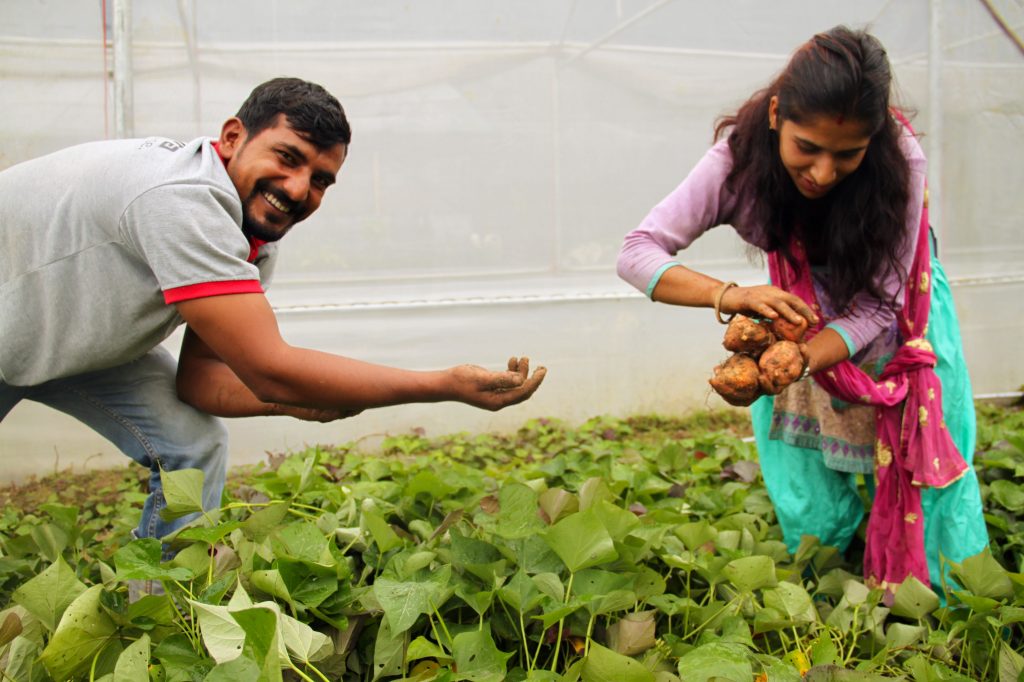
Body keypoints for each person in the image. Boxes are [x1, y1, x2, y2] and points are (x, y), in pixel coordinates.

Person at [0, 77, 546, 552]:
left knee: (192, 443)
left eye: (321, 179)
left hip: (64, 332)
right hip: (14, 320)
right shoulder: (181, 198)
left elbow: (201, 382)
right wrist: (443, 384)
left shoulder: (250, 235)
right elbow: (268, 368)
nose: (298, 189)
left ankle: (162, 602)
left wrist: (295, 404)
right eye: (287, 158)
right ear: (233, 136)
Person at [617, 26, 987, 591]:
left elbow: (882, 302)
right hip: (799, 312)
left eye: (847, 155)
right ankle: (826, 574)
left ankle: (938, 594)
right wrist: (732, 297)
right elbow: (637, 252)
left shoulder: (901, 161)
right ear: (774, 115)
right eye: (806, 148)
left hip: (898, 316)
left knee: (925, 458)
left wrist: (806, 356)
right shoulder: (736, 164)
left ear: (876, 137)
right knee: (805, 472)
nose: (821, 173)